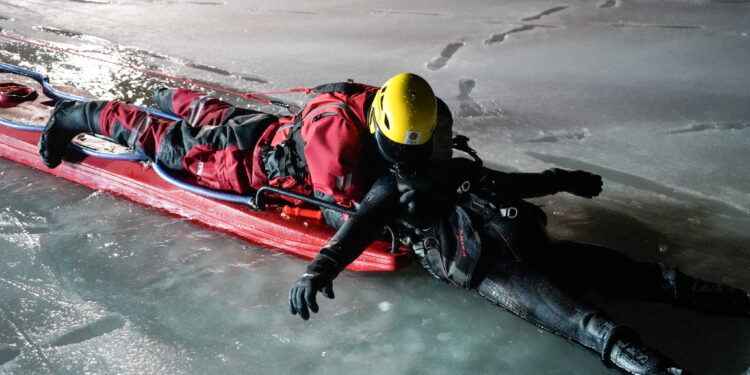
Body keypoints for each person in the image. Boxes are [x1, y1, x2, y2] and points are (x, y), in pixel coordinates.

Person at [38, 74, 748, 375]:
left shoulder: (418, 139)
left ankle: (181, 98)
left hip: (327, 158)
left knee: (603, 298)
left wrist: (561, 179)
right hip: (265, 161)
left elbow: (474, 180)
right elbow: (356, 219)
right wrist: (320, 266)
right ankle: (79, 115)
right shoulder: (364, 166)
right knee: (184, 143)